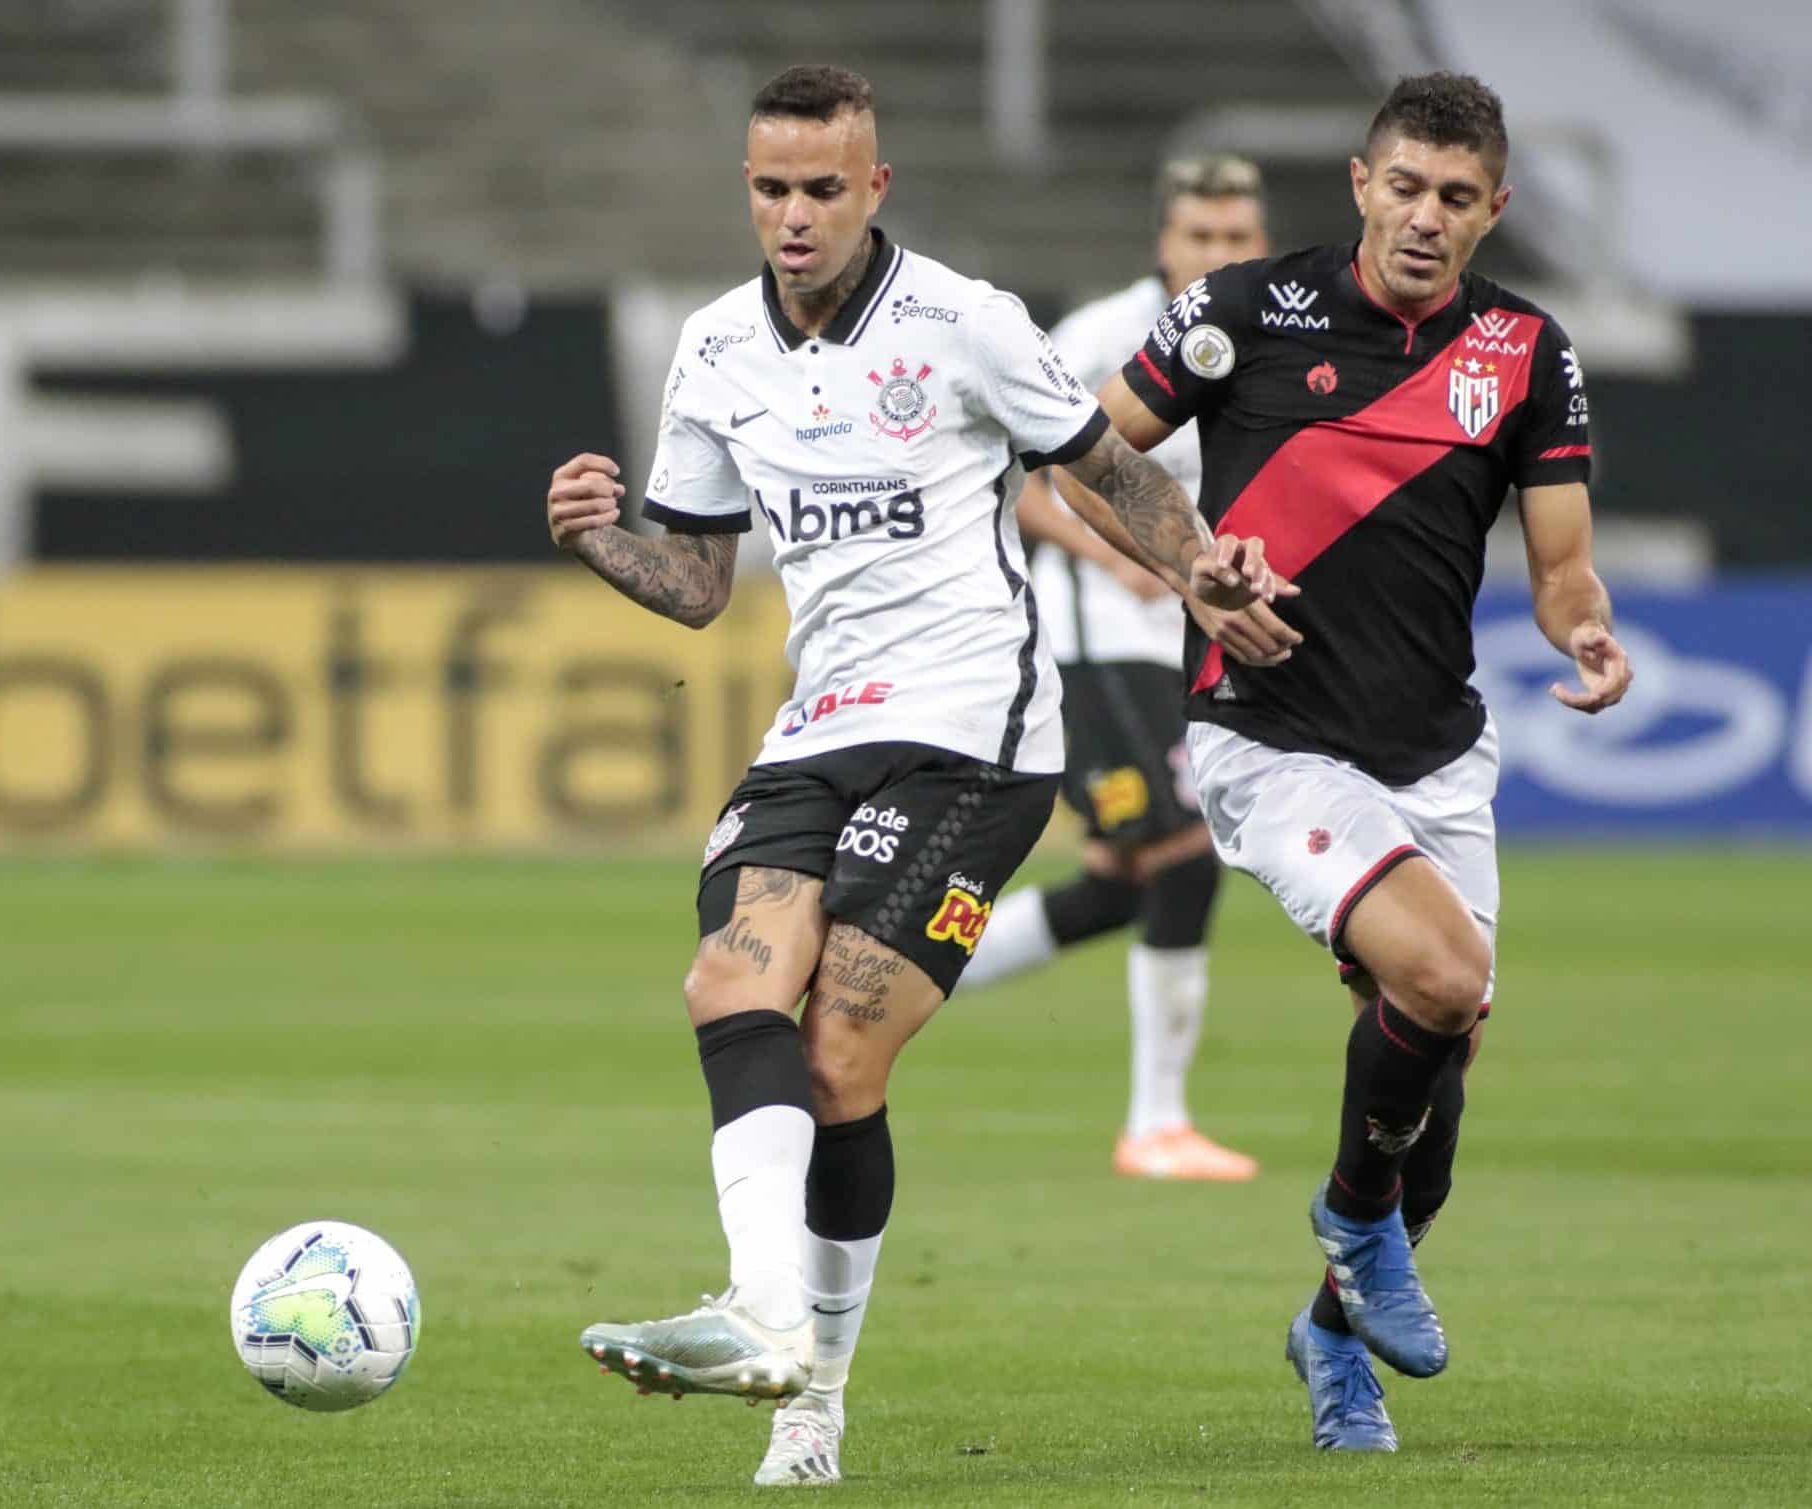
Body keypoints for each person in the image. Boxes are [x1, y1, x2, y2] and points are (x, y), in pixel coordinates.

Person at [545, 64, 1285, 1488]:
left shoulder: (965, 322)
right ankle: (764, 1313)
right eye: (772, 189)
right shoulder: (712, 352)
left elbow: (1098, 470)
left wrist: (1198, 572)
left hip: (978, 730)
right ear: (747, 192)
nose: (797, 215)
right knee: (729, 982)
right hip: (817, 728)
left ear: (874, 186)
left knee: (839, 1050)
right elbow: (699, 585)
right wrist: (601, 543)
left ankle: (808, 1400)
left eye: (825, 187)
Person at [1089, 72, 1633, 1452]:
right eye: (1405, 186)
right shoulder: (1242, 314)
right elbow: (1084, 457)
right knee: (1442, 977)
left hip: (1438, 754)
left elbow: (1563, 565)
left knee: (1439, 1067)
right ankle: (1352, 1223)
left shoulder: (1523, 351)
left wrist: (1589, 636)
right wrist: (1196, 573)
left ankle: (1333, 1331)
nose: (1426, 217)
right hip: (1270, 737)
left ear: (1493, 208)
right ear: (1360, 182)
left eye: (1457, 197)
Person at [960, 155, 1272, 1184]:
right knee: (1182, 854)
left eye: (1235, 239)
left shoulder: (1277, 336)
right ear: (1163, 243)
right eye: (1199, 236)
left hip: (1191, 641)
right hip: (1093, 640)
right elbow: (1021, 482)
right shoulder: (1104, 334)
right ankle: (1155, 1125)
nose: (1217, 256)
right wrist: (1134, 560)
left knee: (1113, 889)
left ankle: (873, 969)